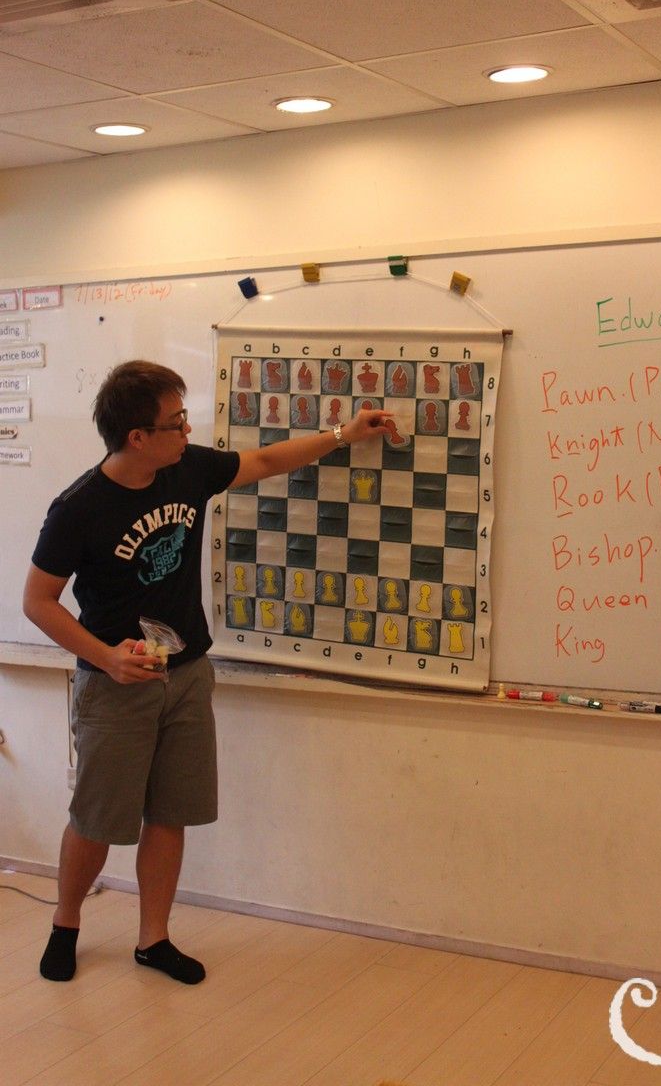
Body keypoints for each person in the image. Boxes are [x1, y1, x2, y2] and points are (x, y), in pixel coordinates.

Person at [22, 360, 390, 985]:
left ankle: (153, 939)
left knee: (170, 812)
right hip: (115, 686)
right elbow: (38, 602)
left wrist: (343, 434)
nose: (187, 431)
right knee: (97, 819)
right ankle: (66, 923)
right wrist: (107, 657)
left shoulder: (186, 468)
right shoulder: (79, 508)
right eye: (175, 422)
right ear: (137, 437)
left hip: (187, 673)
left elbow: (265, 461)